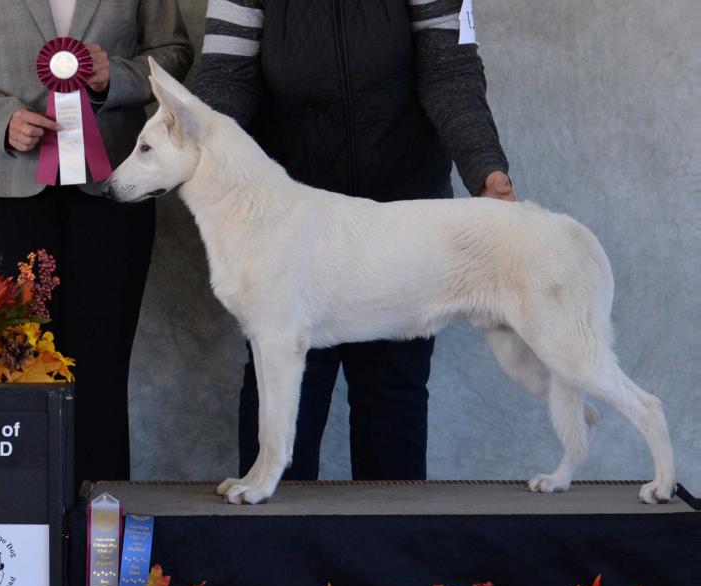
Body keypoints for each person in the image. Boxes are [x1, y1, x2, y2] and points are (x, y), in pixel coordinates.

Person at [194, 0, 515, 481]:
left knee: (393, 393)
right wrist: (203, 159)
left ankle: (396, 547)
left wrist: (485, 170)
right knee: (281, 390)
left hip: (402, 220)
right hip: (289, 224)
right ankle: (273, 542)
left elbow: (451, 73)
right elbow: (225, 80)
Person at [0, 0, 193, 485]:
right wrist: (1, 120)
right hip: (0, 191)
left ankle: (99, 540)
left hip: (112, 188)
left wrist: (118, 79)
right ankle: (15, 530)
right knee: (10, 371)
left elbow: (173, 52)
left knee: (101, 372)